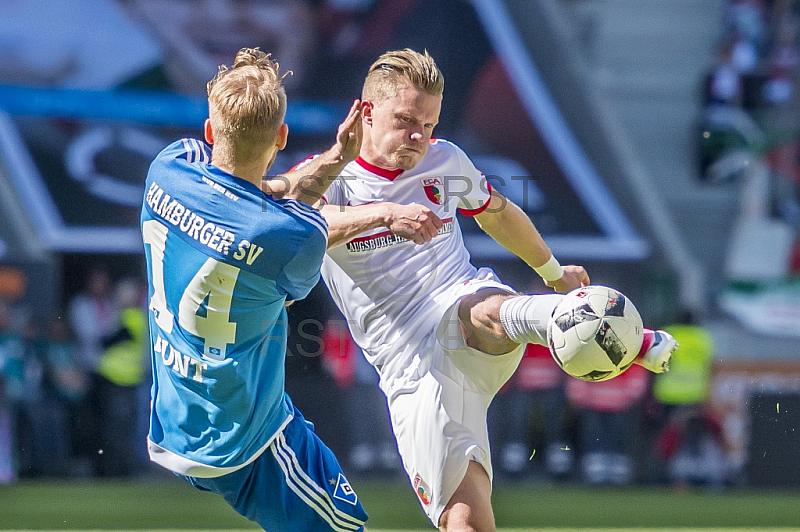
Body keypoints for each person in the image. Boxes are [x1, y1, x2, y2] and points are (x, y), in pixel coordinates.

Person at [305, 48, 678, 530]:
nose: (419, 136)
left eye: (430, 124)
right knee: (465, 521)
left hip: (460, 302)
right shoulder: (328, 175)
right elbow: (315, 221)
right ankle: (615, 335)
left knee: (485, 309)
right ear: (366, 112)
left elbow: (497, 211)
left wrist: (553, 273)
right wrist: (386, 214)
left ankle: (610, 332)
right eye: (406, 121)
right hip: (411, 369)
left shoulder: (445, 162)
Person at [141, 47, 368, 531]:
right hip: (246, 436)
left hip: (176, 421)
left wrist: (332, 160)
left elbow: (256, 203)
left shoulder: (168, 166)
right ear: (282, 136)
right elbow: (300, 223)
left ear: (209, 131)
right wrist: (388, 212)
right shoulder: (295, 237)